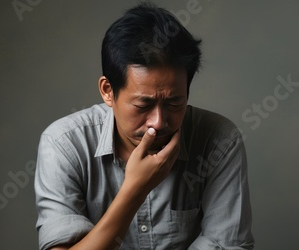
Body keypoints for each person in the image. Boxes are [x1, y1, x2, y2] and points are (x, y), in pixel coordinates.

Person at [34, 2, 254, 250]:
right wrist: (134, 190)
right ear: (108, 91)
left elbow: (227, 245)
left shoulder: (219, 140)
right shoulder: (64, 144)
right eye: (142, 105)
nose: (158, 122)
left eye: (174, 103)